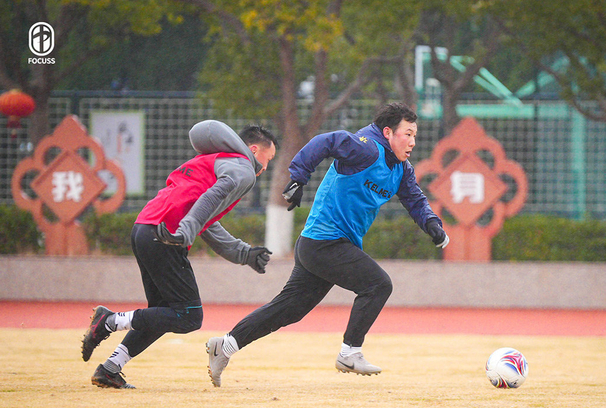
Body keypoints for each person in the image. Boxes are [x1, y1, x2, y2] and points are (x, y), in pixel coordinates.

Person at [205, 103, 448, 387]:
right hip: (325, 242)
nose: (413, 142)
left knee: (289, 309)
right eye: (408, 134)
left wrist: (432, 224)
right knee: (378, 285)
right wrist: (298, 177)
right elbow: (326, 142)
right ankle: (350, 352)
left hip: (320, 246)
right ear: (388, 132)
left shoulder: (401, 170)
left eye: (415, 135)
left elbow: (415, 200)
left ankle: (225, 345)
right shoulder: (366, 149)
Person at [81, 120, 278, 389]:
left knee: (163, 313)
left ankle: (109, 369)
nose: (266, 167)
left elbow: (206, 219)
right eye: (269, 158)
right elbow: (210, 200)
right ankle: (109, 321)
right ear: (254, 150)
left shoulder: (211, 160)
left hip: (145, 228)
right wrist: (186, 229)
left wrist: (244, 254)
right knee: (188, 316)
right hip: (166, 236)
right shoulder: (243, 168)